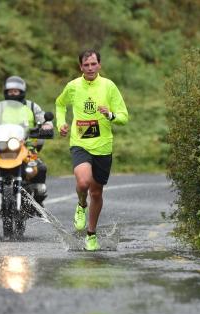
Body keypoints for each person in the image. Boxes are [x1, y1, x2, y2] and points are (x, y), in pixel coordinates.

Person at [55, 50, 129, 251]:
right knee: (83, 181)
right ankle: (81, 204)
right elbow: (60, 104)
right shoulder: (72, 86)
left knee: (96, 193)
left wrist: (110, 114)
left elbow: (124, 116)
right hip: (80, 143)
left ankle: (91, 233)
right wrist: (61, 123)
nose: (90, 68)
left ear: (99, 65)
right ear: (80, 67)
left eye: (93, 64)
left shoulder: (108, 86)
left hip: (103, 146)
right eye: (86, 65)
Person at [0, 76, 53, 206]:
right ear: (6, 92)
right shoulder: (0, 108)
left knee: (39, 166)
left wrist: (46, 126)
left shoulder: (32, 106)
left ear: (22, 91)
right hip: (1, 145)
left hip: (26, 144)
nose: (13, 93)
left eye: (16, 91)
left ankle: (38, 191)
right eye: (10, 91)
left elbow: (44, 118)